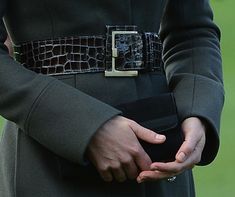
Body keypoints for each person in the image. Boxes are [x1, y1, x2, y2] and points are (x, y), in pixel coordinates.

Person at [0, 0, 224, 197]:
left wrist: (197, 109)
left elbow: (192, 33)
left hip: (161, 147)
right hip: (49, 157)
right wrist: (88, 125)